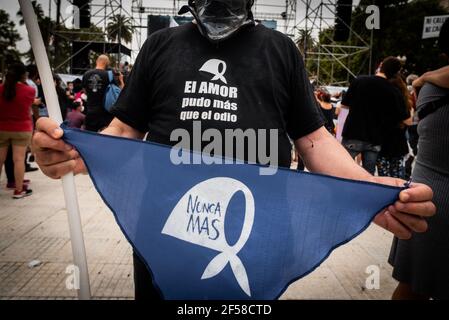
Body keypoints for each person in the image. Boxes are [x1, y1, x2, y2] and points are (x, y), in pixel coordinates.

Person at [32, 0, 435, 300]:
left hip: (254, 239)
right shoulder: (159, 46)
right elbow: (123, 130)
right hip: (166, 234)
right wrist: (73, 152)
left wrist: (369, 193)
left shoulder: (281, 50)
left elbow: (314, 141)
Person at [389, 19, 449, 300]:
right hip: (430, 197)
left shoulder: (429, 89)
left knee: (411, 287)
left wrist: (424, 77)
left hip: (424, 195)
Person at [341, 57, 410, 175]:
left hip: (353, 134)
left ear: (381, 65)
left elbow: (344, 106)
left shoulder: (360, 81)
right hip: (375, 139)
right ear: (395, 72)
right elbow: (407, 120)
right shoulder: (393, 91)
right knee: (368, 174)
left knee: (342, 168)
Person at [0, 63, 34, 198]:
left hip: (2, 127)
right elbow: (29, 104)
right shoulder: (29, 91)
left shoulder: (1, 89)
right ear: (23, 75)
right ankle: (19, 190)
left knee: (0, 159)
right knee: (19, 160)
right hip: (21, 128)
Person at [376, 74, 412, 179]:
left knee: (384, 179)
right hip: (398, 146)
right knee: (398, 179)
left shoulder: (381, 102)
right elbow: (409, 122)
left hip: (383, 145)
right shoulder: (405, 103)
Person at [82, 55, 115, 132]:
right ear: (107, 63)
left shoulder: (86, 74)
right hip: (105, 113)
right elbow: (115, 91)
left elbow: (84, 90)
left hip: (90, 111)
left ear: (97, 61)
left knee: (90, 138)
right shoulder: (109, 75)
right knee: (104, 139)